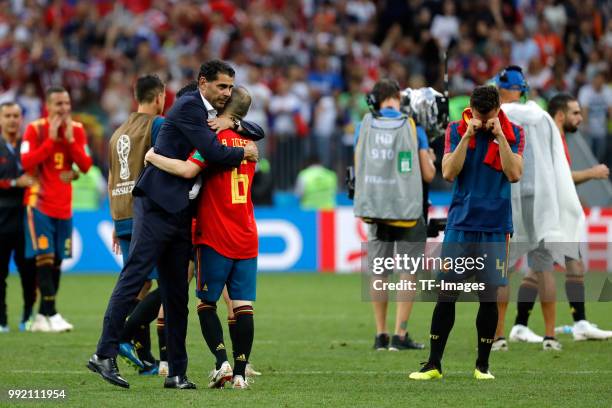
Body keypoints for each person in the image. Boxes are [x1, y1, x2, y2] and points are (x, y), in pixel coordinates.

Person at [88, 60, 260, 390]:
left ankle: (178, 373)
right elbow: (212, 151)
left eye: (229, 88)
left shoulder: (212, 116)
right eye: (221, 86)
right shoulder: (189, 107)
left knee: (176, 292)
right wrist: (243, 154)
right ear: (203, 83)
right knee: (135, 274)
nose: (226, 92)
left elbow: (255, 130)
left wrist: (232, 125)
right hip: (156, 205)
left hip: (180, 210)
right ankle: (103, 353)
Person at [145, 86, 258, 389]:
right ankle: (240, 373)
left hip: (214, 232)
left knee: (205, 303)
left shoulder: (212, 140)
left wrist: (153, 156)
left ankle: (220, 363)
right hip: (246, 232)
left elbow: (185, 170)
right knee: (242, 304)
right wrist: (237, 124)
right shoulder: (250, 143)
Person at [410, 85, 524, 380]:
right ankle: (434, 364)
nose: (484, 120)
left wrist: (499, 136)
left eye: (489, 115)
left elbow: (514, 174)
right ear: (471, 109)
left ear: (498, 109)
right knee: (446, 293)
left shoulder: (515, 133)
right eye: (478, 114)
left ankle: (482, 366)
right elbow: (448, 172)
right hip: (460, 225)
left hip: (496, 228)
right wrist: (468, 136)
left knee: (488, 297)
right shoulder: (455, 129)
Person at [501, 93, 612, 344]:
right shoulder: (548, 136)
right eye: (575, 113)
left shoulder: (554, 136)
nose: (580, 118)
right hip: (550, 213)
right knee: (571, 264)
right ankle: (580, 322)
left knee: (538, 270)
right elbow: (556, 177)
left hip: (552, 210)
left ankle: (520, 325)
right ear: (560, 115)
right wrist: (592, 173)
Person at [492, 66, 582, 352]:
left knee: (502, 268)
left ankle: (498, 337)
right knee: (543, 267)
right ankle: (550, 336)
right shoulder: (542, 117)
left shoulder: (498, 116)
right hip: (542, 198)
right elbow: (558, 160)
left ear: (504, 88)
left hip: (510, 195)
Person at [354, 78, 435, 351]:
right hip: (408, 210)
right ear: (398, 98)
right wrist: (431, 159)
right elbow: (428, 174)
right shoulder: (413, 127)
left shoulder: (363, 125)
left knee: (379, 272)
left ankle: (380, 335)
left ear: (375, 100)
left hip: (375, 209)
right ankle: (401, 335)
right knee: (407, 273)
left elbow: (358, 165)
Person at [107, 74, 167, 375]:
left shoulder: (118, 132)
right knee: (172, 281)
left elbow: (112, 178)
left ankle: (144, 360)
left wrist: (116, 221)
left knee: (139, 284)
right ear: (159, 97)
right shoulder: (156, 125)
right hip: (146, 214)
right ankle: (123, 334)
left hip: (122, 214)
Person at [21, 86, 93, 333]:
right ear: (48, 106)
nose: (64, 108)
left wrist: (71, 142)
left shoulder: (77, 130)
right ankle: (51, 313)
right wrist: (51, 140)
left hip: (64, 206)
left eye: (67, 103)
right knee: (45, 257)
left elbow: (84, 166)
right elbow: (26, 162)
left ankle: (43, 315)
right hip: (39, 203)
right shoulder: (35, 129)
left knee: (58, 261)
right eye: (58, 104)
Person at [0, 102, 36, 333]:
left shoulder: (29, 147)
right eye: (8, 116)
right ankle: (1, 320)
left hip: (26, 218)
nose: (13, 120)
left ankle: (27, 316)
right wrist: (14, 183)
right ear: (1, 120)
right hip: (1, 218)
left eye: (16, 116)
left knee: (28, 272)